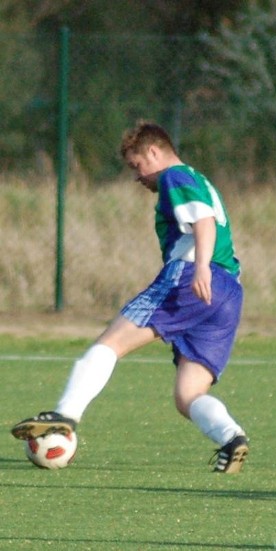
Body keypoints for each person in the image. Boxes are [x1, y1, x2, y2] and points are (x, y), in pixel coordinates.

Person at [11, 121, 249, 473]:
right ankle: (232, 439)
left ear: (154, 152)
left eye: (137, 165)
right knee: (188, 396)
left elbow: (204, 222)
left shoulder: (175, 177)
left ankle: (64, 416)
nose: (137, 176)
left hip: (193, 277)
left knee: (110, 343)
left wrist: (199, 267)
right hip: (227, 292)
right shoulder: (197, 178)